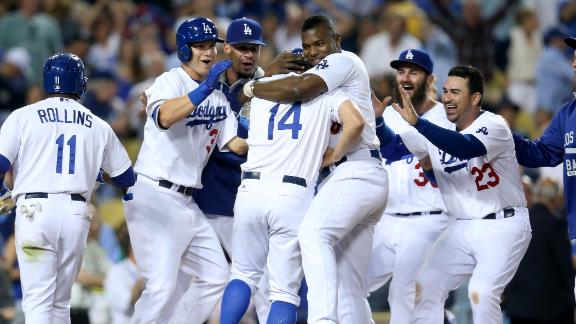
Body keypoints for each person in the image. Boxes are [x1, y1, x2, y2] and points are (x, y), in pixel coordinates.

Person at [243, 14, 388, 323]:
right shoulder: (333, 80)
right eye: (306, 47)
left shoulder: (341, 62)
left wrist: (255, 86)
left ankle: (322, 320)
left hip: (353, 172)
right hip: (364, 173)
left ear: (337, 40)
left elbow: (300, 90)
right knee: (350, 289)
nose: (313, 52)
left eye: (320, 43)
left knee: (312, 234)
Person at [122, 17, 247, 323]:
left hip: (186, 200)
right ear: (183, 49)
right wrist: (203, 89)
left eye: (211, 46)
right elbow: (164, 116)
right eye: (200, 46)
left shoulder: (218, 97)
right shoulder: (170, 81)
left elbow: (236, 145)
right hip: (153, 191)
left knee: (217, 276)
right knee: (162, 286)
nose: (208, 52)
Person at [387, 65, 532, 323]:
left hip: (503, 224)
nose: (448, 98)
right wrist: (377, 120)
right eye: (445, 91)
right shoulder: (438, 131)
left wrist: (419, 124)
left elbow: (465, 148)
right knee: (423, 286)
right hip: (460, 227)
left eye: (456, 92)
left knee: (482, 292)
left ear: (475, 98)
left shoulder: (494, 124)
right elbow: (392, 150)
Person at [0, 52, 135, 323]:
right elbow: (126, 178)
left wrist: (3, 193)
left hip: (34, 212)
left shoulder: (23, 116)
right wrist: (95, 172)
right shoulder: (98, 124)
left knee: (38, 301)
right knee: (61, 303)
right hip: (76, 214)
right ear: (80, 83)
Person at [220, 73, 365, 323]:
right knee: (283, 294)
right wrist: (335, 154)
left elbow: (240, 119)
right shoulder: (326, 91)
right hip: (292, 194)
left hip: (250, 188)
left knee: (242, 275)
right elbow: (356, 123)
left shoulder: (264, 89)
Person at [191, 17, 309, 322]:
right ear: (226, 47)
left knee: (261, 282)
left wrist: (263, 81)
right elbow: (214, 115)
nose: (248, 55)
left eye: (254, 49)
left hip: (246, 191)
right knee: (200, 281)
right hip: (206, 193)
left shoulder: (268, 81)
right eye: (242, 48)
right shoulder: (210, 77)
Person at [367, 49, 451, 324]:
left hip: (429, 220)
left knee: (405, 293)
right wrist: (378, 121)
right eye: (401, 71)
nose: (405, 77)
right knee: (348, 280)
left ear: (429, 79)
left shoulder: (447, 118)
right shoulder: (386, 115)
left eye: (413, 72)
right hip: (386, 219)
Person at [513, 36, 576, 239]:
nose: (573, 64)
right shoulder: (568, 113)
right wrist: (505, 136)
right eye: (573, 58)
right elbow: (541, 153)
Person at [504, 177, 575, 324]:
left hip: (517, 306)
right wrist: (570, 300)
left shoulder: (518, 224)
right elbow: (565, 267)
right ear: (556, 199)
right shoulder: (555, 224)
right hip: (549, 308)